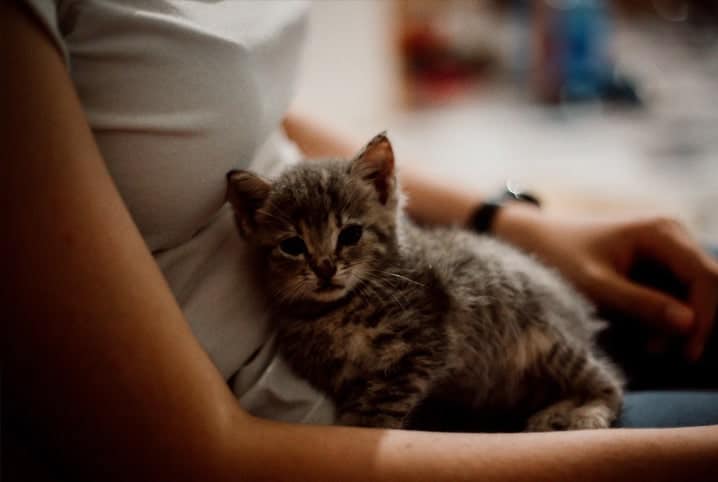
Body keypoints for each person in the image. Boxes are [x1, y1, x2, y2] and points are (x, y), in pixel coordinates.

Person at [2, 1, 717, 481]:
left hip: (467, 333)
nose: (321, 268)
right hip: (317, 440)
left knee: (696, 280)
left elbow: (255, 109)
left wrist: (514, 219)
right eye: (296, 252)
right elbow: (187, 454)